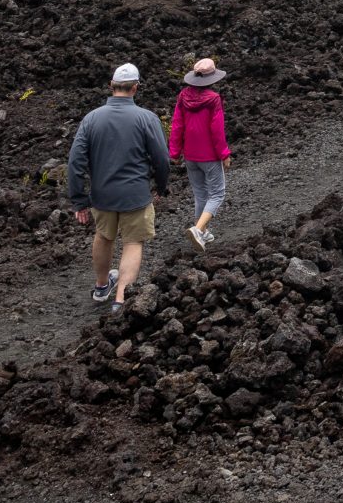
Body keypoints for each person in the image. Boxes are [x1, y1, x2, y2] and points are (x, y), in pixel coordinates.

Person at [68, 62, 172, 313]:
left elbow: (75, 162)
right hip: (135, 195)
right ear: (136, 88)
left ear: (111, 86)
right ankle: (121, 299)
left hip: (102, 196)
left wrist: (79, 200)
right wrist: (161, 186)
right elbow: (161, 159)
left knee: (104, 236)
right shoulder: (146, 118)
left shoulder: (91, 119)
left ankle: (102, 286)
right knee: (133, 242)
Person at [168, 57, 232, 251]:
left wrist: (174, 151)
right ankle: (197, 229)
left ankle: (202, 233)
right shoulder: (213, 99)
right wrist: (224, 154)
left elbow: (177, 124)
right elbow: (217, 129)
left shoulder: (183, 96)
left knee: (200, 194)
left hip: (190, 155)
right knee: (217, 194)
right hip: (209, 155)